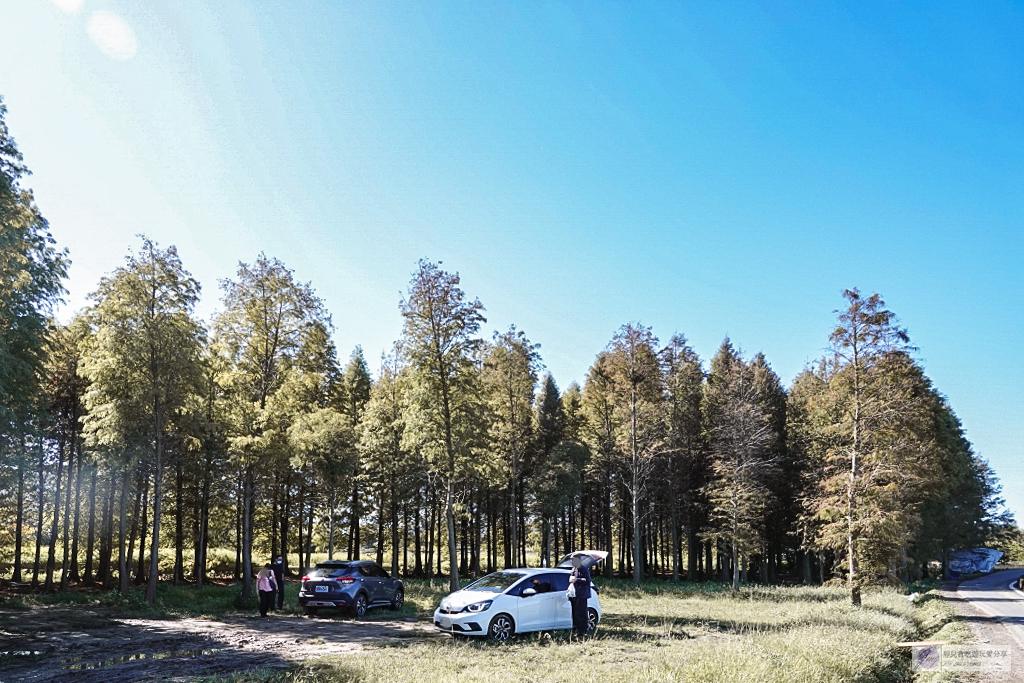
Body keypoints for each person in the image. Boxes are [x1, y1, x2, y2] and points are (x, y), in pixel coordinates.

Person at [568, 555, 592, 637]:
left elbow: (587, 580)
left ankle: (583, 632)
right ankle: (576, 631)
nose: (572, 562)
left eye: (573, 560)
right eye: (571, 560)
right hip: (574, 595)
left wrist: (577, 580)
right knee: (575, 614)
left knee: (581, 614)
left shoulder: (584, 569)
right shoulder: (573, 569)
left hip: (582, 595)